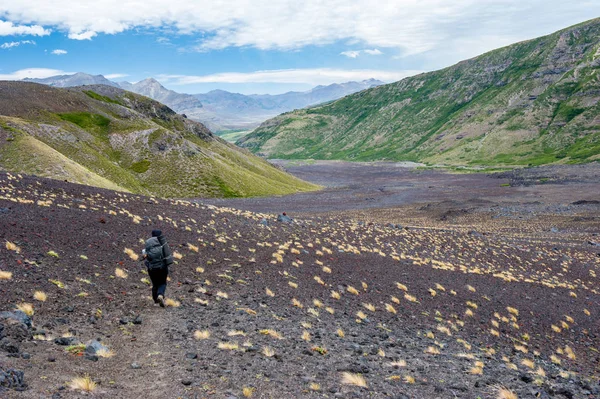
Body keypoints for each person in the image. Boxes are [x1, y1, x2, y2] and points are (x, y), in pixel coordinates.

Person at [142, 229, 173, 307]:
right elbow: (167, 254)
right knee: (162, 283)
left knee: (155, 284)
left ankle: (155, 300)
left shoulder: (148, 243)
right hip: (162, 267)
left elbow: (145, 255)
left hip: (152, 268)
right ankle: (160, 295)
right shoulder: (162, 242)